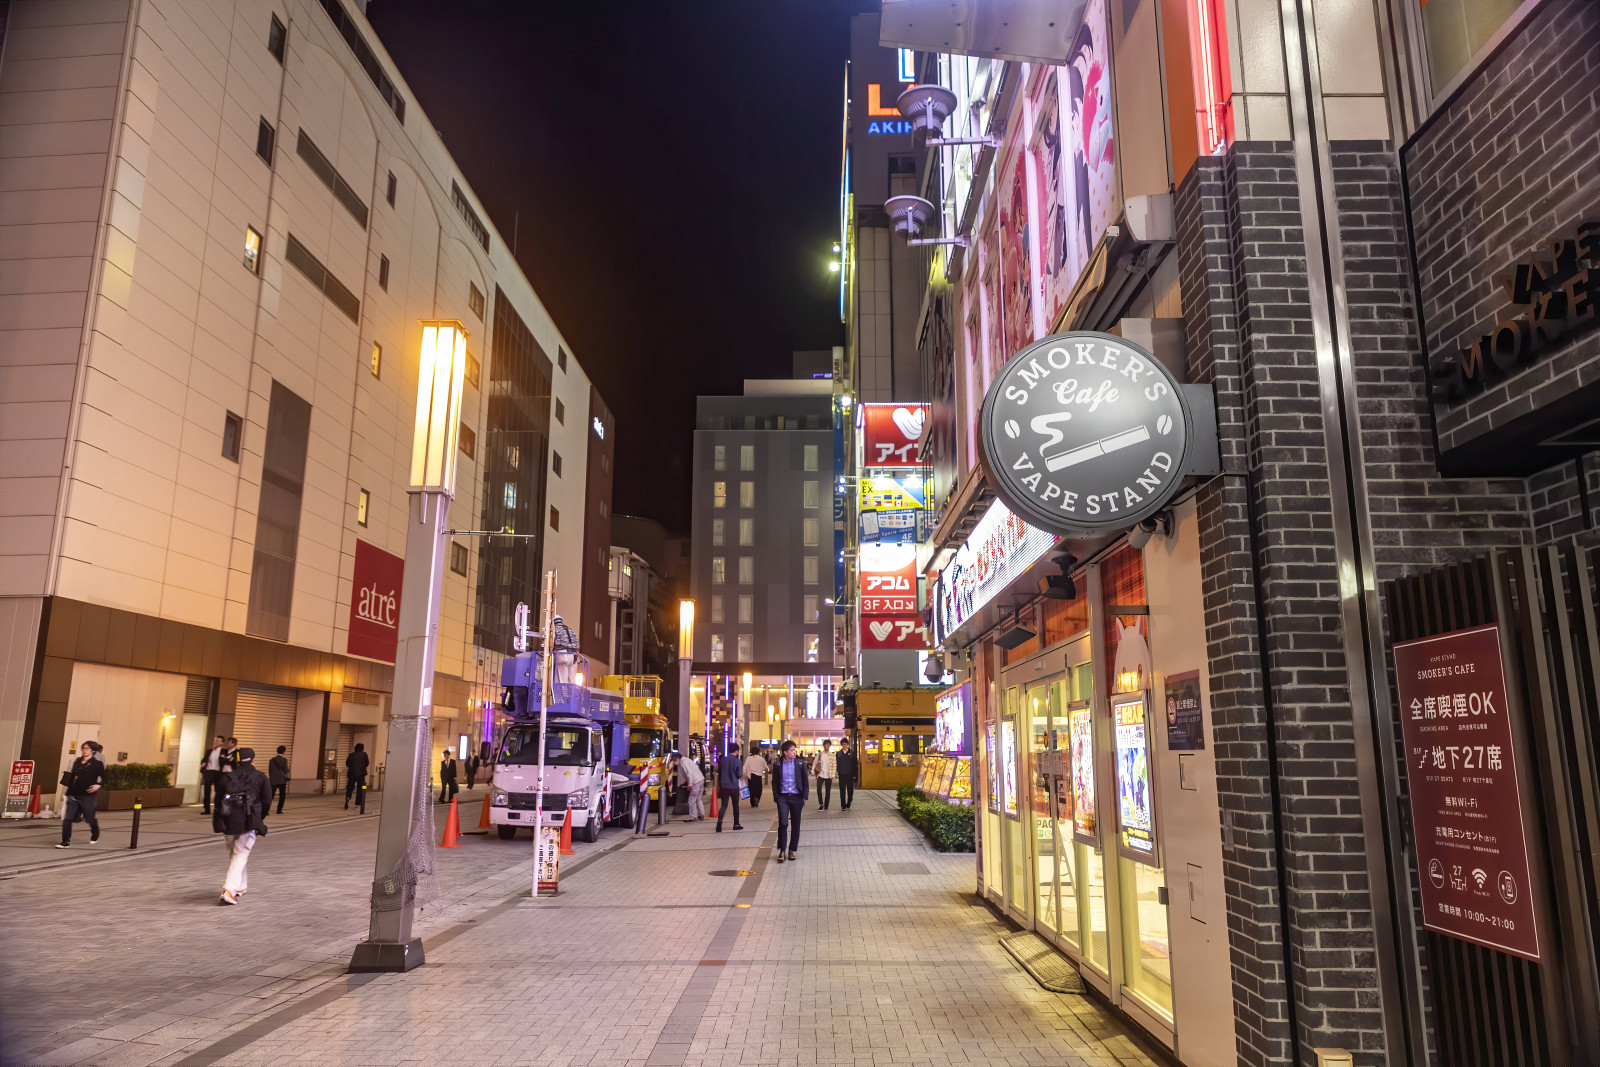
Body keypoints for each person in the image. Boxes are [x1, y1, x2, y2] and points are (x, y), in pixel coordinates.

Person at [213, 747, 271, 905]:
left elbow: (217, 800)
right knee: (240, 854)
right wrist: (260, 817)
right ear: (253, 760)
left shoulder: (227, 777)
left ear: (237, 760)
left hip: (228, 821)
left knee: (236, 853)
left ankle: (241, 886)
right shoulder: (260, 777)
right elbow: (267, 800)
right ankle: (228, 890)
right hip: (248, 821)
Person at [55, 742, 104, 848]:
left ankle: (95, 833)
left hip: (88, 795)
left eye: (87, 748)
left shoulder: (97, 764)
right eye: (83, 748)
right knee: (67, 819)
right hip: (73, 795)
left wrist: (98, 785)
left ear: (93, 751)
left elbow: (105, 778)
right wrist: (66, 794)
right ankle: (65, 842)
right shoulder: (77, 761)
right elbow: (72, 777)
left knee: (89, 818)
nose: (84, 750)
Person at [771, 740, 809, 862]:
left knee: (795, 824)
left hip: (797, 797)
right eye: (792, 750)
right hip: (783, 798)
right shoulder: (778, 765)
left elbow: (805, 780)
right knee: (783, 823)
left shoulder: (800, 763)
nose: (794, 752)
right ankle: (782, 850)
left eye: (794, 750)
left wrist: (804, 796)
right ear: (785, 752)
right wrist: (776, 797)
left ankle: (792, 849)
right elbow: (775, 782)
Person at [715, 750, 744, 832]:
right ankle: (736, 824)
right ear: (736, 751)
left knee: (724, 805)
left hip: (724, 786)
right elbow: (739, 775)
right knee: (735, 806)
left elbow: (719, 772)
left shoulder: (723, 760)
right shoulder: (737, 761)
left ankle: (719, 824)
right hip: (734, 786)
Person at [201, 734, 227, 814]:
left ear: (222, 743)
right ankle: (207, 809)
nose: (216, 742)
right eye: (216, 741)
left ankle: (217, 808)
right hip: (209, 771)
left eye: (218, 741)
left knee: (218, 791)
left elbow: (226, 762)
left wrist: (224, 758)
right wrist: (203, 763)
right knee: (207, 791)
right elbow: (204, 759)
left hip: (218, 772)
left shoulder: (224, 751)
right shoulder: (209, 751)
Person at [675, 752, 705, 821]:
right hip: (701, 779)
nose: (674, 763)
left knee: (691, 800)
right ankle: (701, 814)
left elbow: (689, 774)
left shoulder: (683, 762)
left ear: (677, 759)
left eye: (674, 761)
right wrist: (686, 783)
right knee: (698, 799)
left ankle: (693, 817)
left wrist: (690, 785)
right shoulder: (687, 760)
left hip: (695, 781)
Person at [812, 739, 837, 810]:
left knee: (828, 791)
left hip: (829, 775)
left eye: (829, 744)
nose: (828, 745)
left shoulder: (832, 755)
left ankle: (826, 805)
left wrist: (833, 774)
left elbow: (834, 765)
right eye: (826, 744)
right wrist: (813, 771)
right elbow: (815, 762)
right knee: (818, 789)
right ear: (824, 745)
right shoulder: (820, 754)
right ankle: (821, 804)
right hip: (821, 774)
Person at [345, 743, 370, 811]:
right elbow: (367, 763)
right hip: (361, 774)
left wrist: (352, 768)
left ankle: (347, 798)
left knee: (350, 787)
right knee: (360, 789)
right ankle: (358, 804)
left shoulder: (351, 755)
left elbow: (347, 763)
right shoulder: (364, 754)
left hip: (352, 774)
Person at [267, 745, 290, 815]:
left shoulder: (271, 760)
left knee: (270, 796)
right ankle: (279, 810)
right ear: (284, 752)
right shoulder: (284, 760)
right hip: (282, 781)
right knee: (282, 796)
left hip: (273, 781)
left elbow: (270, 771)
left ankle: (266, 810)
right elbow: (286, 770)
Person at [836, 741, 858, 811]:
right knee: (842, 790)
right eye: (843, 744)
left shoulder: (852, 753)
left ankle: (849, 802)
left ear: (848, 745)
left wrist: (854, 774)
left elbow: (855, 764)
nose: (844, 745)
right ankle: (843, 805)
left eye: (845, 744)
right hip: (842, 775)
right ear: (841, 745)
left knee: (850, 790)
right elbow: (837, 764)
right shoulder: (839, 753)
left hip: (850, 775)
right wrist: (838, 772)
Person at [745, 744, 768, 809]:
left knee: (751, 790)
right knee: (758, 789)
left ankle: (752, 802)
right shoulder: (761, 759)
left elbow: (745, 767)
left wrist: (743, 774)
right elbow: (766, 767)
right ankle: (757, 798)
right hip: (759, 776)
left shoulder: (749, 758)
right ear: (758, 752)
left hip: (751, 776)